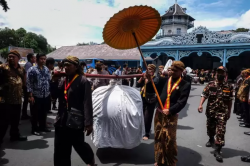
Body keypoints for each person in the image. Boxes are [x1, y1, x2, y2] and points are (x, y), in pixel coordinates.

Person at [54, 56, 95, 166]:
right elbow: (54, 95)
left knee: (79, 144)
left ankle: (90, 160)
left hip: (75, 120)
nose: (66, 68)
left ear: (76, 67)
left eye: (68, 65)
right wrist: (54, 81)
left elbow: (87, 103)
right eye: (64, 65)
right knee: (60, 148)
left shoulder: (83, 81)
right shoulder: (63, 79)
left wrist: (88, 123)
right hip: (61, 119)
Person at [154, 61, 191, 166]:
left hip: (171, 115)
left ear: (181, 71)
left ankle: (170, 161)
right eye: (171, 69)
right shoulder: (163, 80)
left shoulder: (185, 84)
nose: (172, 72)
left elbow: (182, 102)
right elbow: (152, 86)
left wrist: (170, 110)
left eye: (175, 70)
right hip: (159, 113)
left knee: (170, 139)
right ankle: (159, 159)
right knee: (158, 136)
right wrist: (148, 77)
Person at [198, 66, 233, 162]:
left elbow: (230, 101)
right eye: (219, 72)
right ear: (216, 73)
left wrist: (229, 112)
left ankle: (218, 150)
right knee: (210, 127)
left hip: (222, 112)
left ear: (225, 74)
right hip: (211, 111)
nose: (220, 74)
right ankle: (210, 138)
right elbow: (204, 95)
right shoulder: (210, 84)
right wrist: (200, 105)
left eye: (222, 72)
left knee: (221, 131)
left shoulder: (229, 86)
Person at [0, 50, 27, 147]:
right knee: (4, 121)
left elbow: (24, 83)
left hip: (18, 99)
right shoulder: (3, 67)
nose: (10, 58)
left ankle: (14, 135)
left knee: (15, 120)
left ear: (18, 59)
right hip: (5, 99)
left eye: (13, 57)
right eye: (9, 56)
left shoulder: (21, 69)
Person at [137, 64, 167, 141]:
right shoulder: (144, 77)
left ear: (153, 71)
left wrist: (148, 79)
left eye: (150, 69)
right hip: (142, 98)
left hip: (151, 99)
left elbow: (152, 87)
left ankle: (146, 133)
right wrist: (141, 78)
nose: (148, 70)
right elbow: (138, 84)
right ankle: (140, 132)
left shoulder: (156, 78)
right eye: (147, 69)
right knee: (141, 116)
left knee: (148, 117)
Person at [27, 53, 51, 136]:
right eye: (41, 59)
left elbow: (49, 80)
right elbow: (29, 83)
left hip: (45, 95)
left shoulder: (46, 69)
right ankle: (34, 129)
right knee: (35, 114)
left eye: (44, 59)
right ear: (37, 60)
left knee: (43, 112)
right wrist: (31, 95)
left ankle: (42, 127)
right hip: (36, 95)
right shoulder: (32, 70)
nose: (43, 60)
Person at [22, 53, 36, 120]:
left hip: (28, 85)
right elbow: (27, 75)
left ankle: (25, 114)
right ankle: (25, 114)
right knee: (27, 100)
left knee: (27, 100)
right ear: (31, 58)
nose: (35, 59)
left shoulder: (30, 64)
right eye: (34, 58)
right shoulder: (29, 64)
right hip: (27, 85)